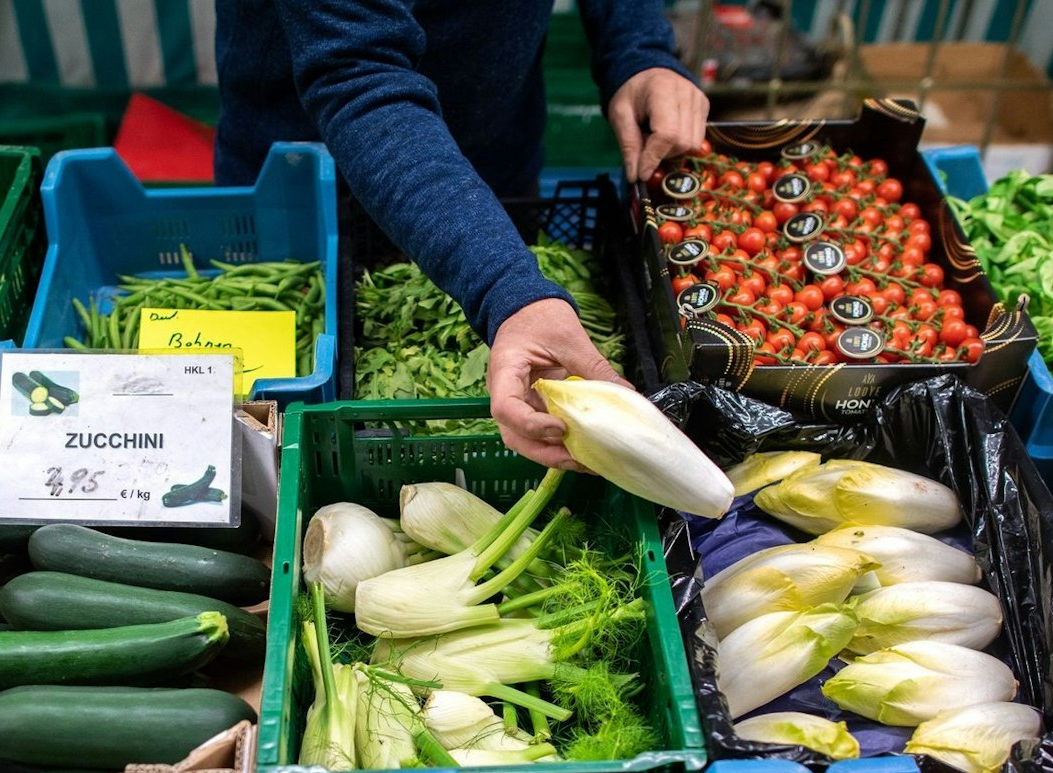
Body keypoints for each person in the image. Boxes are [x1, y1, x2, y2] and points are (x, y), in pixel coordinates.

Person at [215, 0, 706, 467]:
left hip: (495, 152)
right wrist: (506, 288)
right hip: (309, 170)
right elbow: (359, 75)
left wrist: (639, 51)